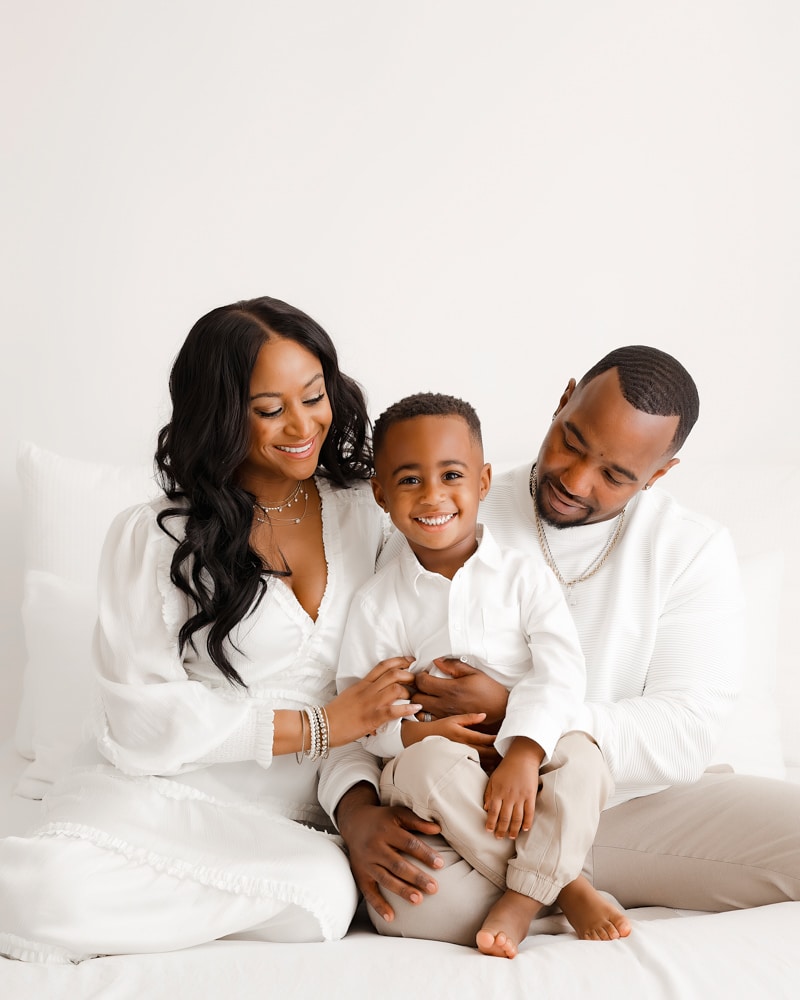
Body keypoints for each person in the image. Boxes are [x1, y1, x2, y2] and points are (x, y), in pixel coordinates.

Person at [319, 344, 800, 947]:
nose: (575, 480)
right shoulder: (444, 504)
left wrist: (514, 714)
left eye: (616, 474)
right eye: (571, 441)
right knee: (409, 900)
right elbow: (356, 705)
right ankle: (561, 884)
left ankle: (538, 879)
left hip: (629, 805)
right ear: (564, 398)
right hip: (475, 806)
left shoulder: (690, 548)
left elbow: (685, 736)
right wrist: (355, 811)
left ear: (659, 474)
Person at [0, 295, 420, 963]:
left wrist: (358, 792)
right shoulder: (156, 536)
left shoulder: (366, 514)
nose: (302, 425)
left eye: (314, 396)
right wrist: (320, 725)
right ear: (221, 416)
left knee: (325, 900)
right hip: (164, 795)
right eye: (269, 410)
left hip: (293, 826)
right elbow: (140, 722)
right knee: (44, 894)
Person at [336, 392, 631, 957]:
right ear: (379, 493)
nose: (433, 496)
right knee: (425, 766)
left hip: (528, 753)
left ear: (484, 480)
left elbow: (562, 674)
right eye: (408, 480)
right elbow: (359, 710)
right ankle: (562, 884)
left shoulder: (524, 577)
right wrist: (413, 734)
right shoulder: (378, 602)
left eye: (451, 475)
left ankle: (521, 898)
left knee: (586, 757)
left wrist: (522, 751)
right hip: (436, 767)